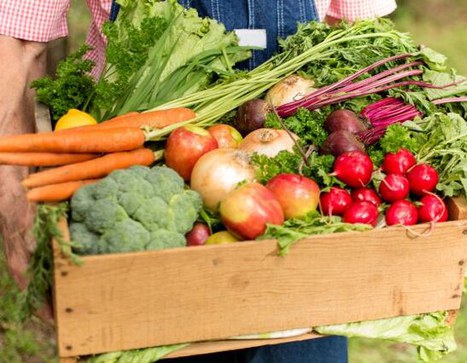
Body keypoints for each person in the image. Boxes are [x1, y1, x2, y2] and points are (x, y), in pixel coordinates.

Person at [0, 1, 396, 362]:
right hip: (141, 194)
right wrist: (15, 211)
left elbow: (360, 34)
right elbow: (17, 39)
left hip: (292, 221)